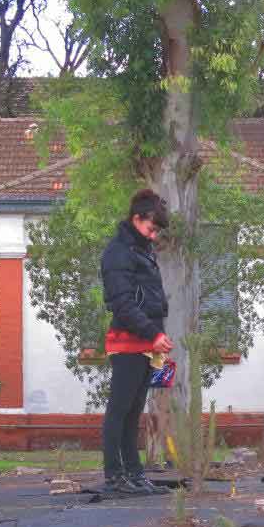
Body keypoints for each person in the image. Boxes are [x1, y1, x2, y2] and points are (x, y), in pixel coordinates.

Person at [100, 189, 174, 495]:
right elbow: (123, 303)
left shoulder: (143, 251)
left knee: (134, 412)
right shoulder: (118, 253)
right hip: (128, 342)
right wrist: (153, 333)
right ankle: (114, 476)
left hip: (146, 343)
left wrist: (157, 336)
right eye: (151, 228)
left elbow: (150, 299)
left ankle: (134, 473)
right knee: (119, 410)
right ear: (137, 218)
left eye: (157, 231)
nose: (154, 235)